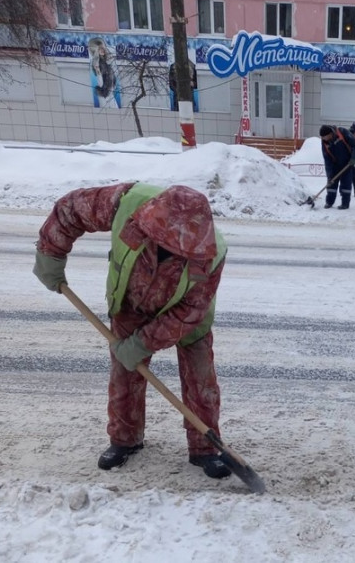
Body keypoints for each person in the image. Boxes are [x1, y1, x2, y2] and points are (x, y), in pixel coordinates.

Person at [33, 183, 232, 480]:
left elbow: (189, 312)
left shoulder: (211, 252)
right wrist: (51, 253)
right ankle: (125, 439)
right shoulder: (126, 204)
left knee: (200, 378)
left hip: (189, 317)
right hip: (131, 299)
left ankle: (205, 447)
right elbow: (71, 210)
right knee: (125, 372)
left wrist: (144, 342)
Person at [319, 124, 355, 210]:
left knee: (346, 184)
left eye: (325, 137)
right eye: (322, 137)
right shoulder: (324, 142)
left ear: (330, 134)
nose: (323, 139)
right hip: (334, 164)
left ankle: (345, 204)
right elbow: (327, 159)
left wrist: (354, 158)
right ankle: (329, 202)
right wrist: (329, 175)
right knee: (331, 183)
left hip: (347, 163)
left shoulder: (342, 132)